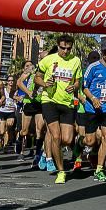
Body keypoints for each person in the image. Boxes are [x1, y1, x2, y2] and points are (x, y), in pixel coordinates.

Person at [35, 35, 83, 185]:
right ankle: (61, 171)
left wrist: (74, 86)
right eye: (63, 48)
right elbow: (37, 77)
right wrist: (44, 83)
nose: (66, 51)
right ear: (58, 46)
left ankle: (49, 151)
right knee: (55, 136)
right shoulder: (48, 59)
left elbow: (77, 81)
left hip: (67, 103)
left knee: (67, 139)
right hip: (49, 101)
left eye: (69, 48)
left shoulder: (76, 61)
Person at [83, 47, 106, 182]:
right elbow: (84, 86)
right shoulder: (93, 67)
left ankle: (99, 169)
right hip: (92, 108)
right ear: (102, 53)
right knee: (90, 141)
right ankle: (79, 145)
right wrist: (93, 99)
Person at [0, 75, 18, 151]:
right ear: (7, 82)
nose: (11, 82)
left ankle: (5, 146)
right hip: (3, 111)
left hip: (11, 111)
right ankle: (0, 138)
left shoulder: (15, 90)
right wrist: (0, 102)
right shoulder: (4, 90)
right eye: (9, 80)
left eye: (12, 80)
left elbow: (17, 100)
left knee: (8, 129)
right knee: (2, 131)